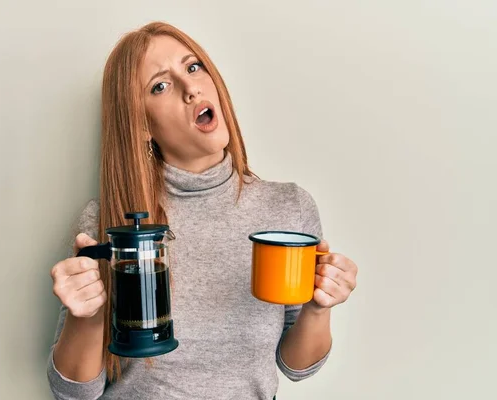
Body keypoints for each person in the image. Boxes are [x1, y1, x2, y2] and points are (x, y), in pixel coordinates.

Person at [46, 21, 358, 400]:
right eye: (160, 86)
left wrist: (318, 308)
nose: (190, 87)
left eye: (193, 67)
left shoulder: (288, 208)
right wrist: (87, 317)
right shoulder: (107, 222)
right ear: (142, 124)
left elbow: (297, 367)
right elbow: (73, 393)